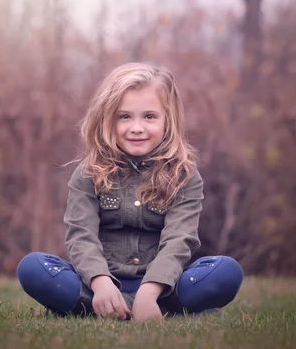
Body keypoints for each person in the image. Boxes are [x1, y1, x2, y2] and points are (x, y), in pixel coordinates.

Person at [16, 62, 244, 321]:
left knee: (227, 271)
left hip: (164, 288)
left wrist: (150, 292)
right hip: (97, 286)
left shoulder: (185, 176)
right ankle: (128, 308)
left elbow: (179, 240)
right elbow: (81, 237)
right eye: (124, 116)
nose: (137, 127)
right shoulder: (89, 172)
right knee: (33, 268)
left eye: (149, 116)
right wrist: (101, 284)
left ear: (168, 121)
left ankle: (120, 309)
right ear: (106, 119)